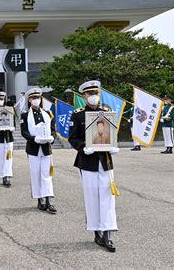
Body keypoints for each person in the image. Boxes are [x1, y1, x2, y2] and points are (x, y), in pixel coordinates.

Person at [68, 80, 119, 253]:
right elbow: (72, 138)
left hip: (105, 161)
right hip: (88, 161)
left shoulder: (106, 113)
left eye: (95, 93)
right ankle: (96, 231)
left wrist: (113, 147)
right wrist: (84, 148)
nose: (93, 97)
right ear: (84, 96)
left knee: (107, 197)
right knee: (92, 197)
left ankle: (107, 233)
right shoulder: (78, 114)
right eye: (89, 94)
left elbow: (111, 134)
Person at [20, 88, 57, 214]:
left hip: (46, 148)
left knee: (46, 175)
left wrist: (52, 137)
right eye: (33, 97)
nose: (36, 100)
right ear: (29, 100)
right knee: (36, 174)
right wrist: (34, 138)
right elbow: (24, 132)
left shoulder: (47, 113)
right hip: (33, 148)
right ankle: (40, 199)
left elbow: (53, 129)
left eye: (38, 97)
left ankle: (49, 200)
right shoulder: (25, 115)